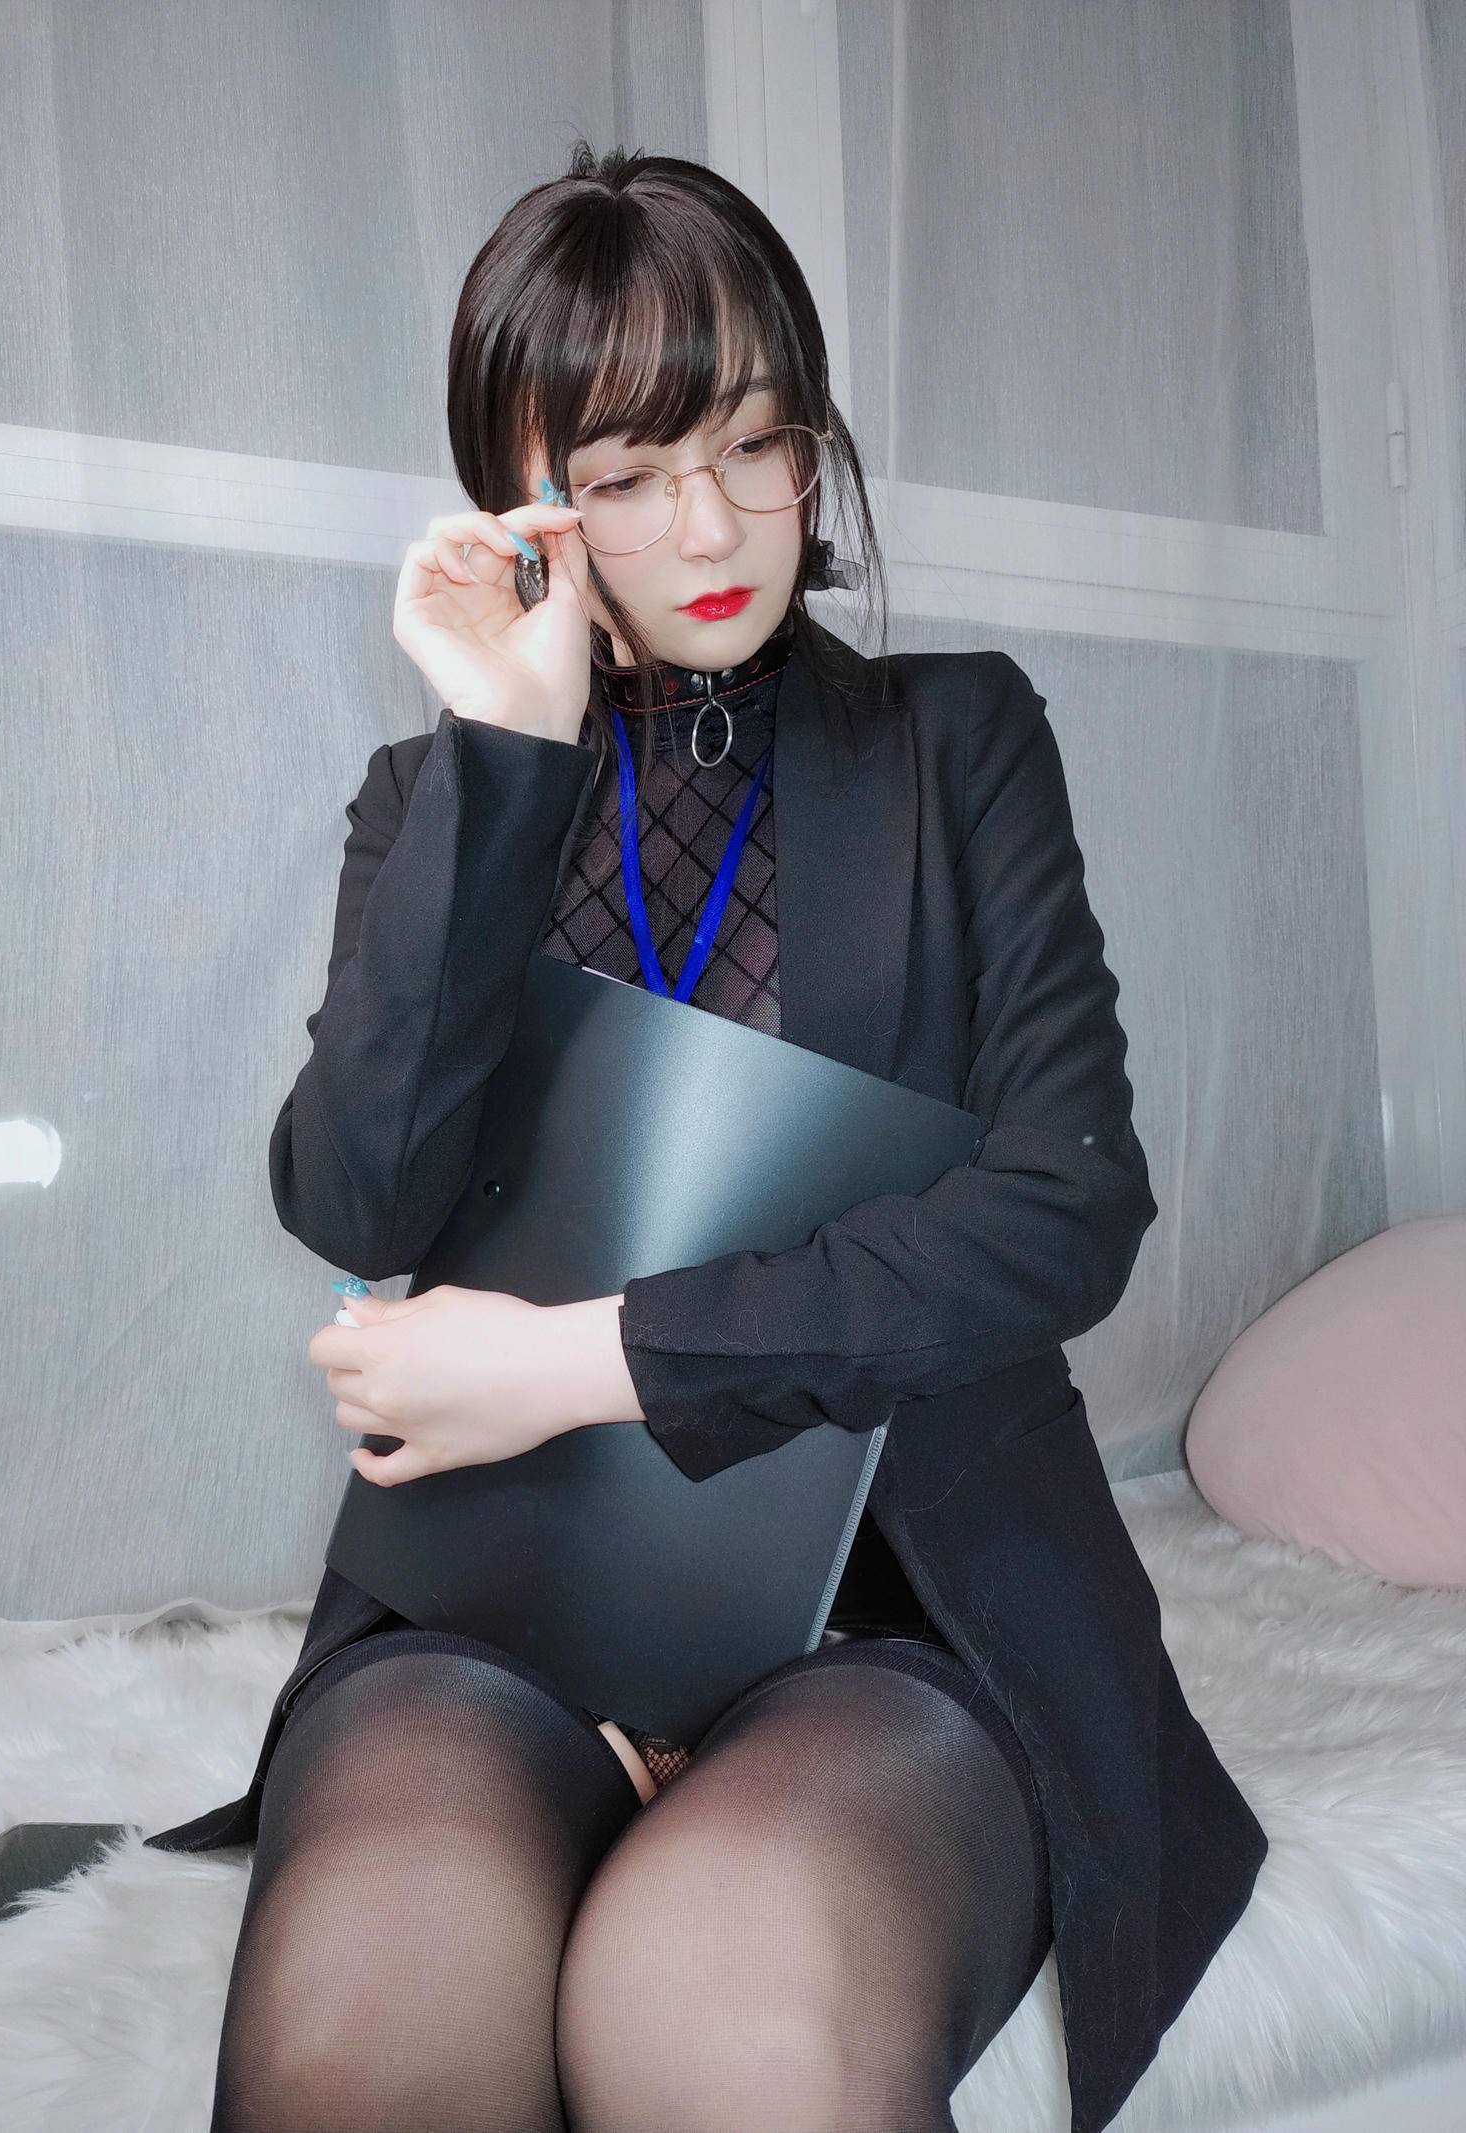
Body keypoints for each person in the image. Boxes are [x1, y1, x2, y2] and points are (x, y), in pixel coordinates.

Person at [147, 142, 1268, 2132]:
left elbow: (1062, 1206)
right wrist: (503, 752)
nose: (713, 523)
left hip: (896, 1597)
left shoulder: (955, 742)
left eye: (757, 444)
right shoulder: (432, 795)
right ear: (521, 496)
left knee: (721, 2019)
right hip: (509, 1597)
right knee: (361, 2040)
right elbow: (355, 1191)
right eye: (625, 473)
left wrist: (574, 1361)